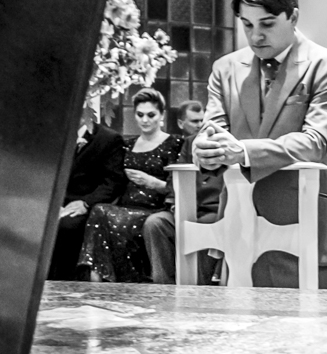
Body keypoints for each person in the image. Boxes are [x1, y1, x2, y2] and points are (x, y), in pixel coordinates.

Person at [193, 0, 327, 288]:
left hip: (304, 220)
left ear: (293, 17)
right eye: (247, 25)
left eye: (266, 24)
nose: (255, 36)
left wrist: (243, 151)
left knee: (313, 320)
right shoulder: (225, 69)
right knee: (237, 320)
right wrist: (204, 150)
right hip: (239, 224)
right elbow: (213, 132)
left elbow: (315, 141)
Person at [78, 88, 182, 281]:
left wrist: (152, 182)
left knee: (102, 213)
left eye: (151, 115)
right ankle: (95, 277)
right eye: (140, 115)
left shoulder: (175, 143)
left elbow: (180, 186)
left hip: (155, 209)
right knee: (100, 210)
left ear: (162, 115)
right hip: (124, 206)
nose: (145, 120)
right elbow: (116, 180)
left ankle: (98, 279)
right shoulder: (128, 145)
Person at [142, 100, 224, 284]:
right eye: (195, 121)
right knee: (155, 223)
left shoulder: (229, 143)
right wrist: (174, 204)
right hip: (185, 206)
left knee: (203, 226)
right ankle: (164, 287)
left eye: (203, 120)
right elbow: (175, 178)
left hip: (214, 210)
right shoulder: (190, 142)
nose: (200, 125)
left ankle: (199, 288)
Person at [47, 100, 126, 279]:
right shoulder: (52, 134)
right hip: (53, 202)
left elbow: (113, 182)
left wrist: (85, 203)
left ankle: (63, 285)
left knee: (65, 226)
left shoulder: (108, 139)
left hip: (85, 205)